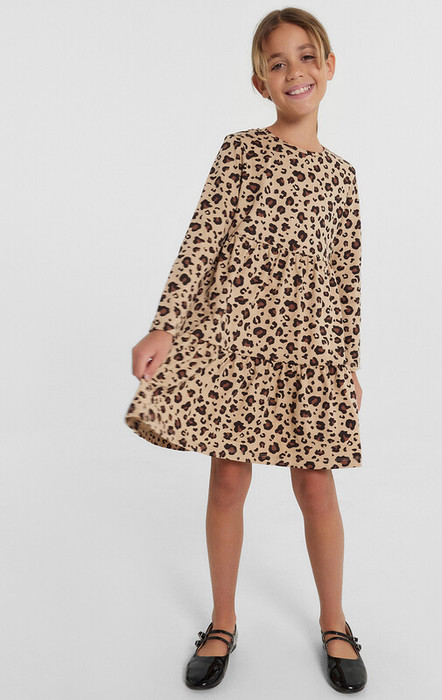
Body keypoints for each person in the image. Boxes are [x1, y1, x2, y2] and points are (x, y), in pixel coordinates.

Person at [125, 6, 367, 694]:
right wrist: (165, 324)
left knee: (315, 486)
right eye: (276, 63)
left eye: (306, 56)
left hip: (310, 351)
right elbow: (202, 240)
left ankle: (334, 621)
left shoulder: (342, 177)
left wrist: (347, 363)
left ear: (329, 66)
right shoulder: (241, 152)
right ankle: (223, 621)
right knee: (228, 481)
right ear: (261, 83)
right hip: (233, 342)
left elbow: (345, 277)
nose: (294, 71)